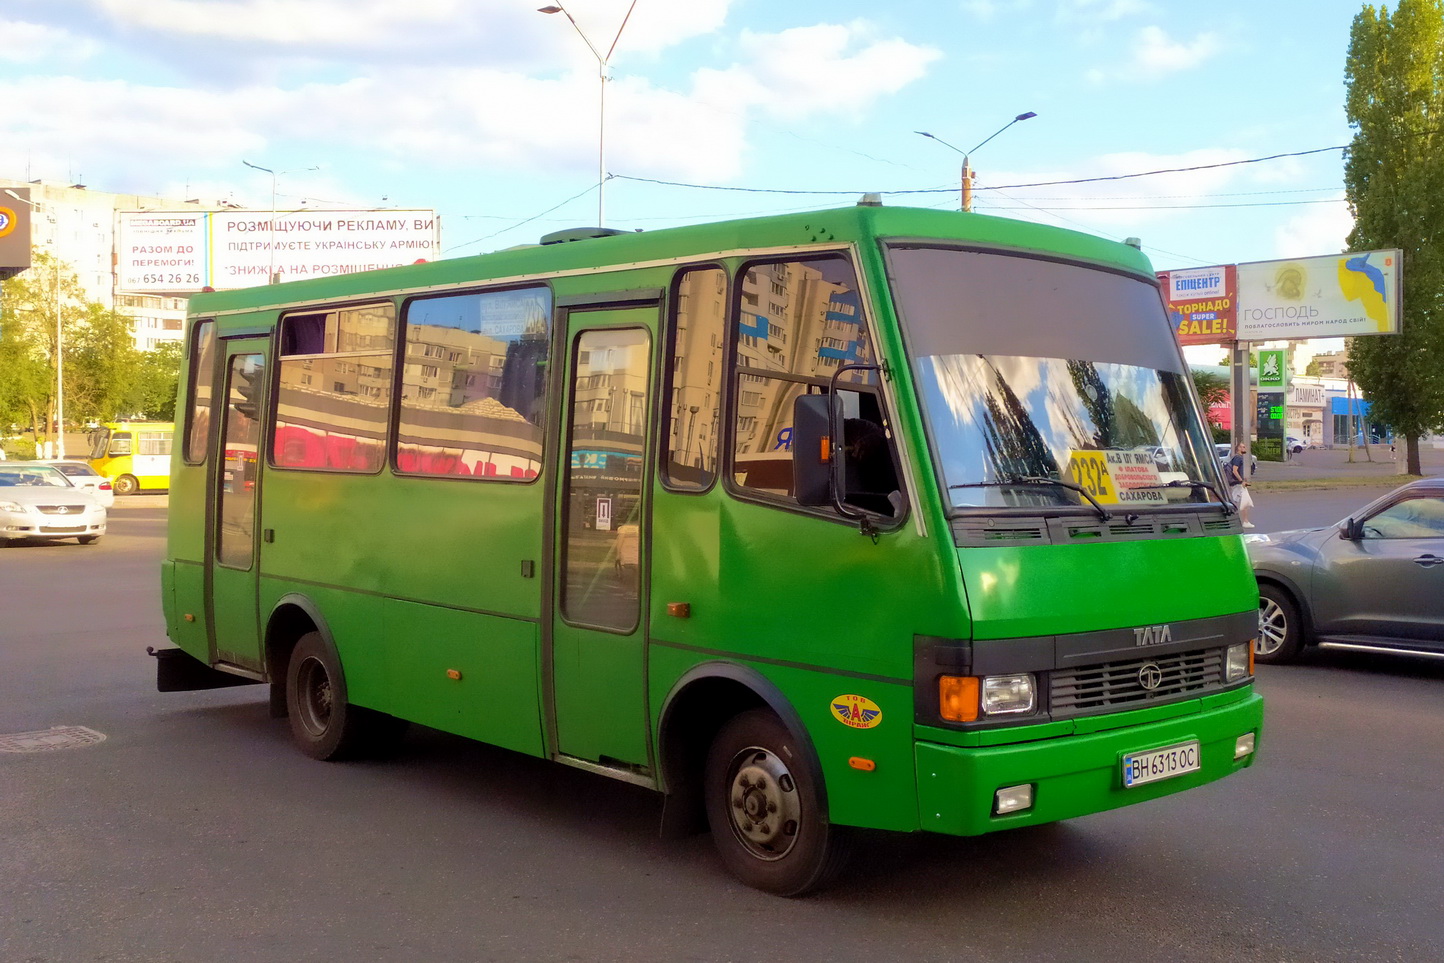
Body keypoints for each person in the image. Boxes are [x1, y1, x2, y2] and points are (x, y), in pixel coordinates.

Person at [1226, 442, 1254, 528]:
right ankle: (1245, 521)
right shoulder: (1238, 458)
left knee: (1234, 501)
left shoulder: (1238, 457)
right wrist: (1241, 481)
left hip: (1237, 483)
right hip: (1238, 483)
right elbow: (1235, 470)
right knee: (1243, 502)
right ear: (1238, 448)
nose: (1244, 448)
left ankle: (1233, 520)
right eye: (1242, 447)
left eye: (1244, 447)